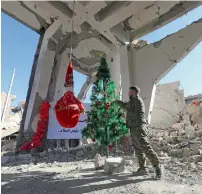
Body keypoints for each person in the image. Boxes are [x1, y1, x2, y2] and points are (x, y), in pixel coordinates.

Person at [115, 86, 162, 179]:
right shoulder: (133, 101)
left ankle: (158, 168)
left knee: (145, 147)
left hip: (139, 127)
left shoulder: (136, 100)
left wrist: (116, 101)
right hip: (133, 128)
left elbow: (125, 106)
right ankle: (142, 169)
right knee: (138, 149)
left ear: (133, 92)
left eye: (129, 92)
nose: (128, 93)